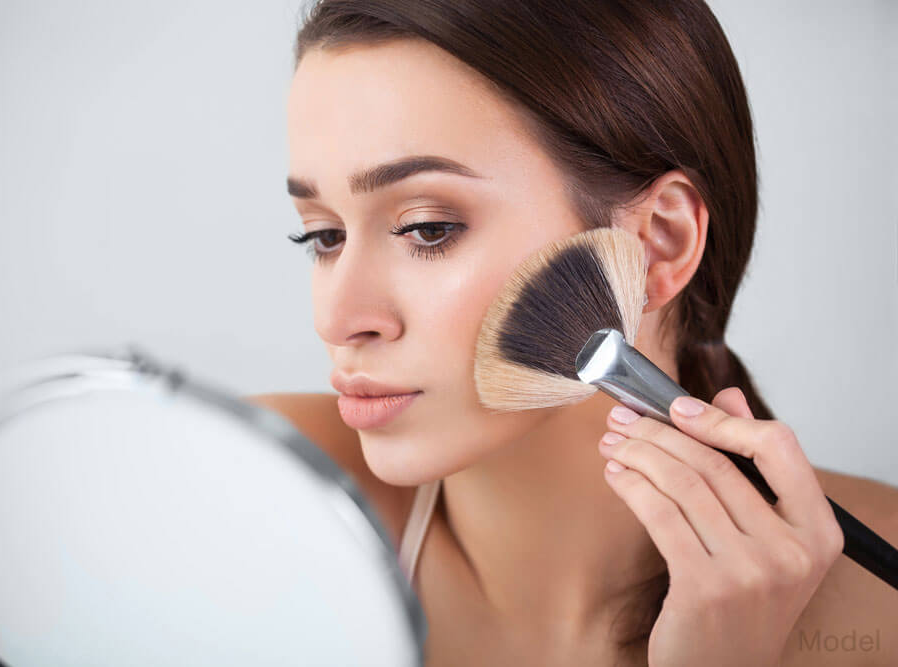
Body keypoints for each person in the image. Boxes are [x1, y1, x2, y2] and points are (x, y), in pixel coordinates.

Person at [248, 1, 898, 664]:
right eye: (323, 236)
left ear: (657, 242)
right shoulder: (249, 494)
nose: (338, 317)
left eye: (428, 228)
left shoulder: (884, 611)